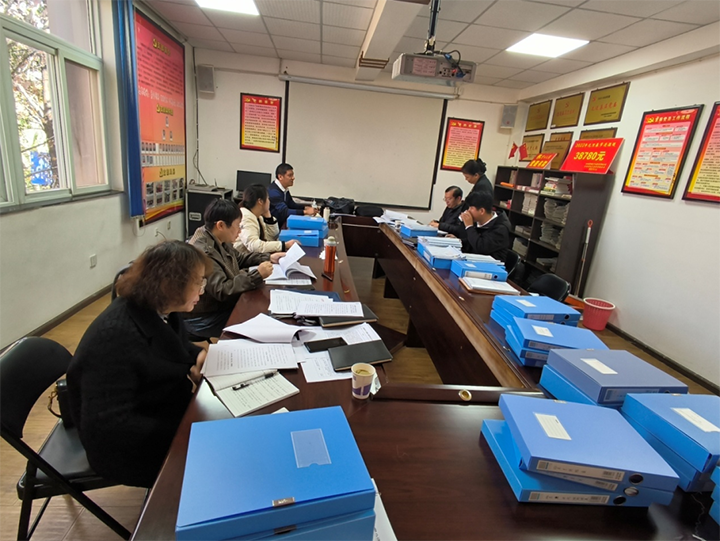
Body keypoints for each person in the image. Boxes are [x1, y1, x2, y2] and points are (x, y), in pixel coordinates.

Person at [67, 241, 211, 488]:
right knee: (217, 460)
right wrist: (188, 430)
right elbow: (110, 426)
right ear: (171, 285)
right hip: (129, 448)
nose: (202, 291)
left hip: (161, 410)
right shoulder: (116, 336)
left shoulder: (158, 309)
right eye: (198, 282)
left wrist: (198, 356)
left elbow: (175, 346)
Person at [185, 199, 281, 338]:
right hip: (204, 317)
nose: (240, 232)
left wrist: (268, 257)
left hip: (220, 306)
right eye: (238, 226)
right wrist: (257, 275)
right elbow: (223, 290)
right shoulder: (204, 252)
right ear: (221, 225)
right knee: (254, 316)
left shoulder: (218, 238)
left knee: (258, 307)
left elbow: (239, 259)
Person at [234, 184, 299, 254]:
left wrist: (268, 216)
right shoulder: (246, 218)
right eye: (268, 198)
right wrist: (284, 245)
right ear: (260, 201)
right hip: (242, 258)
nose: (269, 201)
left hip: (254, 256)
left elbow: (272, 237)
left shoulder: (258, 216)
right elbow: (254, 246)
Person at [460, 191, 512, 261]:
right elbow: (472, 241)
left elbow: (481, 248)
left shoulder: (500, 228)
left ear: (482, 211)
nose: (468, 211)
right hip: (475, 260)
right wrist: (459, 242)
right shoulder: (478, 221)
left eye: (471, 208)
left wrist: (469, 227)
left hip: (490, 265)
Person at [268, 163, 316, 228]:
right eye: (290, 175)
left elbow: (291, 204)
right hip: (274, 227)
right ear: (280, 177)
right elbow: (285, 212)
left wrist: (305, 208)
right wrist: (305, 212)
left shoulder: (284, 189)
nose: (293, 178)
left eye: (293, 175)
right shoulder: (274, 192)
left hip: (282, 223)